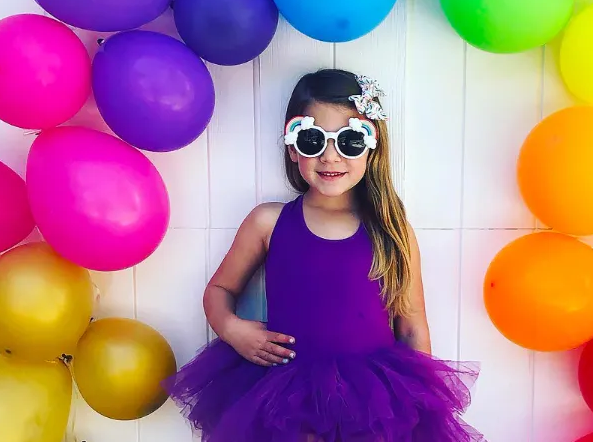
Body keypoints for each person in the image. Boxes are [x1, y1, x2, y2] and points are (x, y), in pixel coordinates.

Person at [165, 69, 485, 441]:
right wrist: (232, 329)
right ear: (291, 146)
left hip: (373, 403)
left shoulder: (392, 230)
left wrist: (420, 409)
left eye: (348, 141)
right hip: (283, 394)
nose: (330, 157)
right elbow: (219, 289)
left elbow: (412, 326)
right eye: (313, 140)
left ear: (371, 146)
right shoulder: (268, 222)